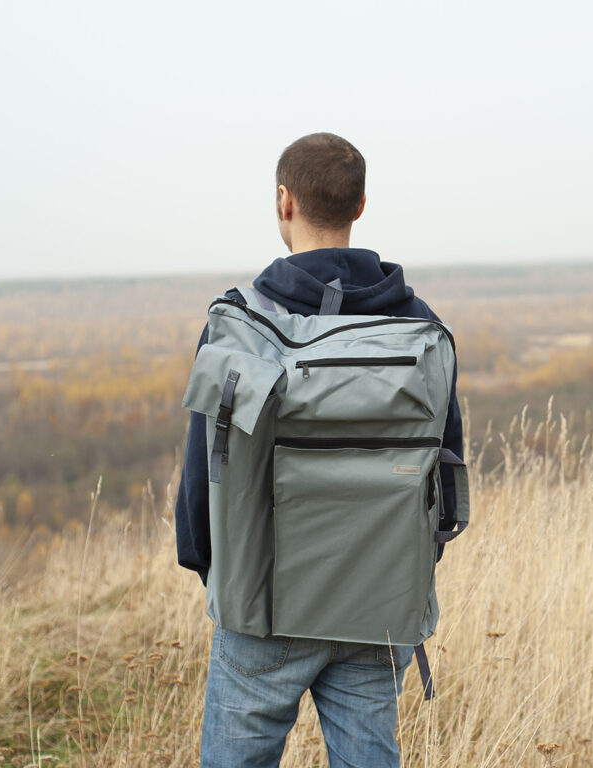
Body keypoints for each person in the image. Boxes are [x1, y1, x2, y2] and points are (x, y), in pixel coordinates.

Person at [176, 132, 463, 768]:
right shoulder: (419, 329)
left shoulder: (240, 325)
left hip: (261, 601)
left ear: (284, 202)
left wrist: (212, 571)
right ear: (360, 206)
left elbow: (202, 478)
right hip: (378, 600)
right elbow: (446, 485)